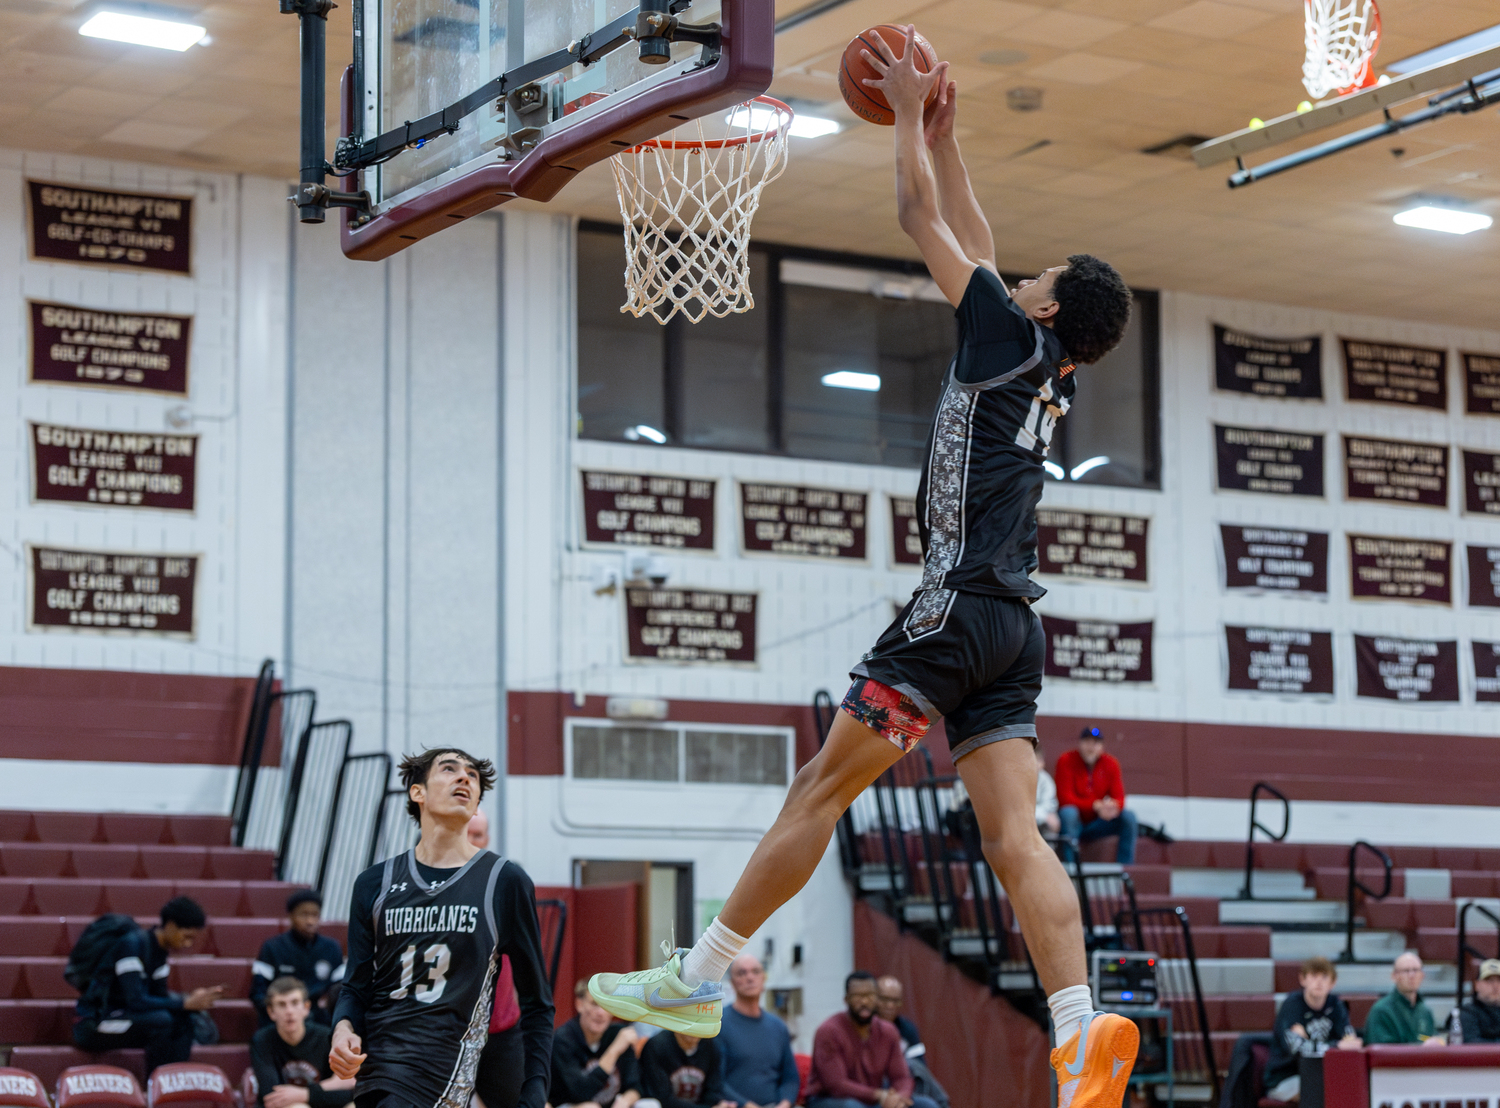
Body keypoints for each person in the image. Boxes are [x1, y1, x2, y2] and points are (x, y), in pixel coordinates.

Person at [586, 27, 1138, 1108]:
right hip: (1015, 632)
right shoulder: (1049, 368)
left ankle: (697, 977)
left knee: (820, 788)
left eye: (1038, 276)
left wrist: (898, 120)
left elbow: (922, 222)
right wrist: (942, 128)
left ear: (1045, 306)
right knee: (1012, 833)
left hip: (950, 611)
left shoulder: (1002, 337)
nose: (1019, 272)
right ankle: (1080, 1031)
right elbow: (976, 236)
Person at [328, 748, 555, 1108]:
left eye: (472, 776)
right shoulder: (374, 884)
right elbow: (356, 986)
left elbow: (537, 1003)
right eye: (449, 769)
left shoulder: (504, 882)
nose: (464, 777)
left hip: (446, 1070)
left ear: (477, 801)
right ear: (417, 792)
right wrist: (342, 1030)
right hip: (379, 1069)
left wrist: (536, 1088)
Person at [72, 896, 222, 1075]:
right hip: (96, 1024)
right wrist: (184, 1002)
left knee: (183, 1021)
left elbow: (159, 997)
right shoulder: (132, 945)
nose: (188, 943)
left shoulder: (159, 953)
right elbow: (135, 1000)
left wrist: (190, 1002)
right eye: (186, 936)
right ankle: (155, 1088)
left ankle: (174, 1081)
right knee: (161, 1021)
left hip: (126, 1019)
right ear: (171, 925)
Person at [465, 808, 526, 1108]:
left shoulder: (503, 885)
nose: (471, 841)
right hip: (452, 1030)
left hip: (502, 1027)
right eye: (466, 834)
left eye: (477, 835)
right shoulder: (433, 889)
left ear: (487, 839)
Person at [805, 973, 935, 1108]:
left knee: (926, 1105)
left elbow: (901, 1077)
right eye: (858, 996)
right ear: (846, 999)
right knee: (852, 1107)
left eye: (870, 995)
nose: (865, 1002)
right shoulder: (828, 1031)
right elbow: (836, 1085)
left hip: (872, 1099)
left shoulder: (888, 1031)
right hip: (828, 1100)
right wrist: (879, 1095)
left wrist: (900, 1097)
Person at [1262, 957, 1360, 1103]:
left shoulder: (1336, 1004)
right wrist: (1335, 1045)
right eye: (1314, 976)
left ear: (1333, 983)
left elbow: (1351, 1041)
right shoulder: (1292, 1005)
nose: (1319, 982)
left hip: (1323, 1074)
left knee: (1348, 1088)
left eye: (1324, 977)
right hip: (1285, 1077)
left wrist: (1309, 1041)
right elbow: (1295, 1047)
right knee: (1321, 1090)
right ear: (1303, 979)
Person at [251, 976, 356, 1108]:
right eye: (282, 1004)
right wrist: (328, 1087)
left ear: (306, 1007)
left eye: (294, 1003)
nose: (289, 1011)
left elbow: (349, 1092)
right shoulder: (262, 1040)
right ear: (271, 1012)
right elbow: (271, 1097)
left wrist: (304, 1094)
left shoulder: (326, 1036)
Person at [251, 890, 345, 1027]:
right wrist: (283, 1013)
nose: (310, 921)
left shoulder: (332, 948)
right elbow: (258, 993)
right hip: (281, 1021)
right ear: (291, 916)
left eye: (315, 915)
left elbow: (341, 992)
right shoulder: (272, 947)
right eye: (304, 914)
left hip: (320, 1022)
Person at [716, 955, 799, 1108]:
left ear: (764, 979)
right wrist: (746, 1105)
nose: (750, 978)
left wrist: (785, 1104)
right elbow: (716, 1081)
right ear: (732, 982)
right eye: (742, 973)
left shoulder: (778, 1026)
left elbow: (791, 1078)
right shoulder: (718, 1024)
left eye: (755, 972)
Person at [552, 980, 646, 1108]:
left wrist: (625, 1102)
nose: (600, 1012)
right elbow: (581, 1093)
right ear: (579, 1005)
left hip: (611, 1104)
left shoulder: (619, 1034)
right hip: (570, 1104)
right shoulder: (564, 1039)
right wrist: (614, 1050)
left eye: (606, 1005)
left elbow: (635, 1087)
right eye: (594, 1004)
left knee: (650, 1104)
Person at [1054, 727, 1137, 864]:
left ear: (1102, 746)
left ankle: (1124, 871)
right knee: (1068, 813)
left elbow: (1120, 799)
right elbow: (1064, 799)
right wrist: (1095, 806)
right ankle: (1071, 871)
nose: (1091, 747)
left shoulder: (1111, 763)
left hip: (1098, 823)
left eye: (1096, 743)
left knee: (1129, 817)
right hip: (1074, 823)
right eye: (1087, 742)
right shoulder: (1066, 760)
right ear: (1080, 744)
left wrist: (1111, 807)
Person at [872, 978, 947, 1108]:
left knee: (927, 1101)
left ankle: (942, 1102)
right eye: (885, 999)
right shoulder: (864, 1027)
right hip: (875, 1088)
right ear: (875, 1000)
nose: (890, 1006)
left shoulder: (908, 1029)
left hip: (905, 1086)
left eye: (895, 1001)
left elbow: (919, 1067)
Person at [1364, 953, 1444, 1045]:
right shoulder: (1381, 1011)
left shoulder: (1425, 1011)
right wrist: (1422, 1048)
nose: (1412, 975)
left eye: (1415, 970)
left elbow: (1429, 1037)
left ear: (1422, 975)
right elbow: (1381, 1053)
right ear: (1394, 976)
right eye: (1406, 971)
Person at [640, 1029, 732, 1108]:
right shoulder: (657, 1045)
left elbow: (713, 1090)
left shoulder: (712, 1046)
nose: (694, 1026)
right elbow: (661, 1098)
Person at [1453, 959, 1500, 1044]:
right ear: (1477, 985)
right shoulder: (1467, 1013)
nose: (1495, 986)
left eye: (1499, 980)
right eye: (1489, 980)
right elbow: (1471, 1043)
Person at [1034, 747, 1059, 836]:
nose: (1038, 764)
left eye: (1039, 760)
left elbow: (1049, 805)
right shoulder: (1017, 780)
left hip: (1040, 821)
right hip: (1022, 821)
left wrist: (1044, 817)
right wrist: (1044, 816)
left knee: (1053, 822)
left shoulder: (1045, 779)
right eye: (1035, 760)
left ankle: (1049, 849)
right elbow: (1020, 809)